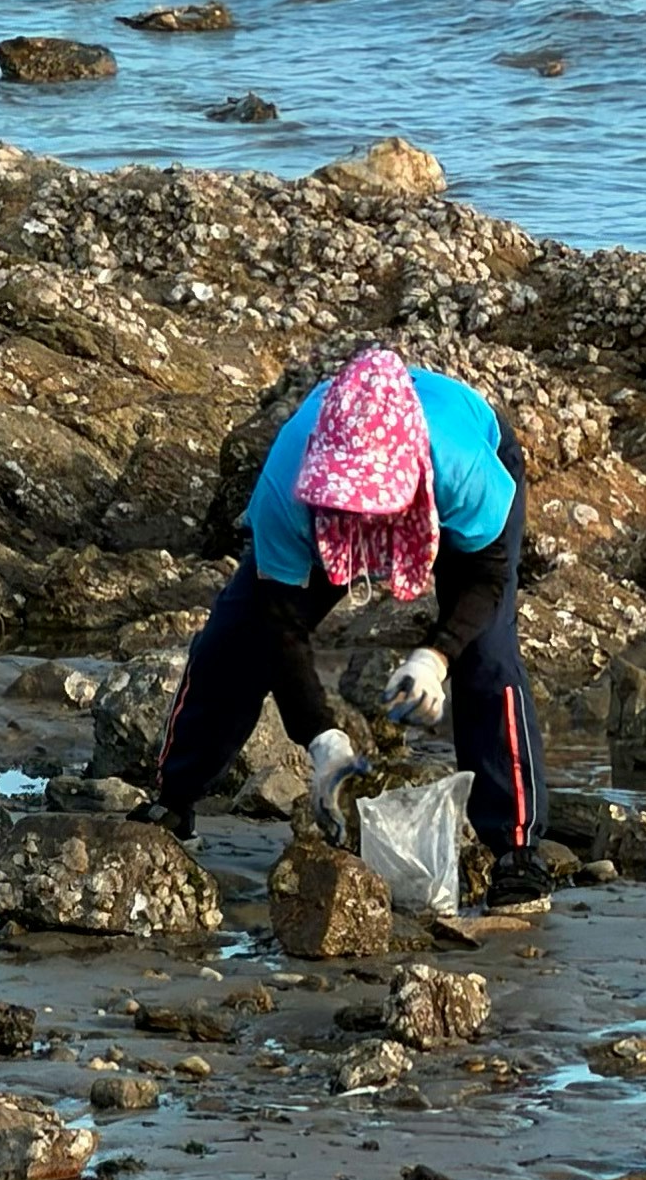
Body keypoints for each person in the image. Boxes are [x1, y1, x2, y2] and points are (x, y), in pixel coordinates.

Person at [154, 342, 554, 901]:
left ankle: (516, 849)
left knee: (487, 655)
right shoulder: (287, 489)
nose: (368, 520)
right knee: (236, 638)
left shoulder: (462, 470)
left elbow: (486, 580)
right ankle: (173, 798)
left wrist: (433, 657)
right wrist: (322, 738)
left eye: (376, 508)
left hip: (456, 460)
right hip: (322, 503)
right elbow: (280, 629)